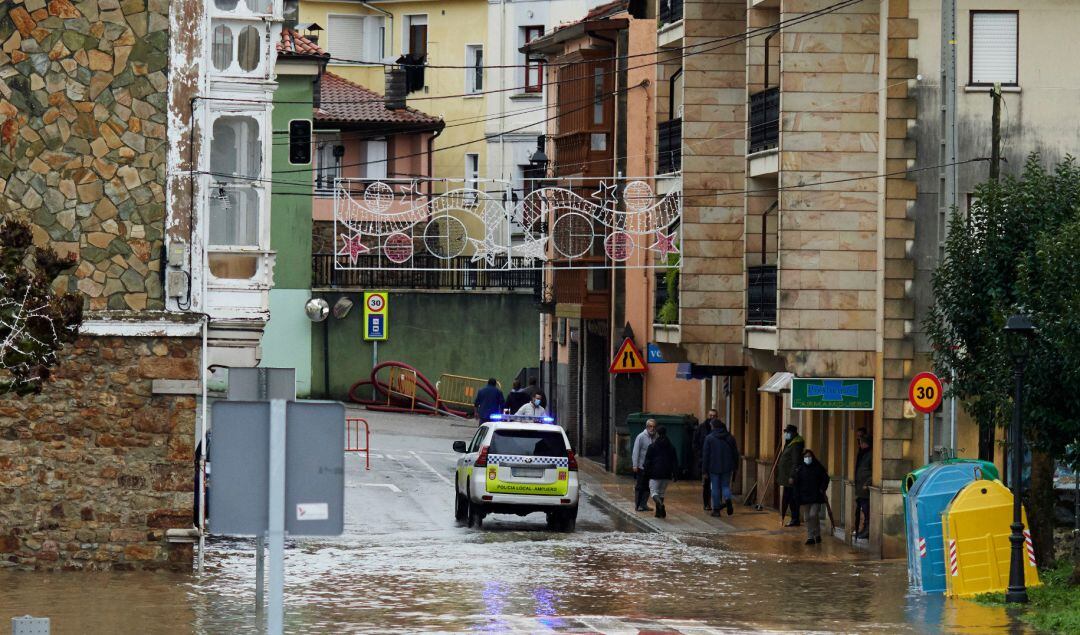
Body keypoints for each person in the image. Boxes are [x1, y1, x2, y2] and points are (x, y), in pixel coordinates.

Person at [701, 420, 739, 517]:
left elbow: (706, 455)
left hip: (714, 466)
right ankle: (728, 499)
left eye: (711, 426)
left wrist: (704, 470)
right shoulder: (730, 437)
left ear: (714, 427)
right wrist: (735, 466)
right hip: (727, 466)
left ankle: (716, 510)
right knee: (725, 486)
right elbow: (735, 453)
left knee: (715, 488)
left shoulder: (709, 438)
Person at [793, 449, 829, 545]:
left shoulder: (818, 468)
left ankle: (815, 534)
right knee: (807, 517)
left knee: (813, 515)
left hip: (816, 496)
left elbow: (825, 478)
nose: (807, 458)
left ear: (812, 457)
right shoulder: (800, 469)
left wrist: (822, 488)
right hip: (805, 497)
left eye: (809, 456)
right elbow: (797, 483)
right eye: (805, 457)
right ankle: (811, 536)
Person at [643, 425, 678, 518]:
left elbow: (647, 461)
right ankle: (659, 513)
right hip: (667, 473)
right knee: (661, 492)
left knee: (654, 492)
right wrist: (675, 474)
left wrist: (645, 472)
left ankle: (660, 505)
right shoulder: (671, 447)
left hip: (655, 473)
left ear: (657, 434)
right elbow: (674, 461)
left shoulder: (652, 446)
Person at [694, 408, 721, 510]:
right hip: (704, 460)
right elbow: (695, 442)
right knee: (706, 483)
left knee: (716, 483)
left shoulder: (720, 429)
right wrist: (699, 454)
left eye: (714, 416)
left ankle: (716, 504)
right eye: (710, 415)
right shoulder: (701, 428)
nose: (712, 417)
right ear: (707, 415)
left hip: (716, 461)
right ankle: (707, 504)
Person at [777, 424, 804, 527]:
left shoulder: (796, 445)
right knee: (789, 497)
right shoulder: (790, 443)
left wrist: (792, 476)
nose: (786, 434)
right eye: (785, 432)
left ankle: (795, 518)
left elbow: (795, 461)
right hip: (786, 476)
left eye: (787, 432)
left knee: (792, 498)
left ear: (792, 433)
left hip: (790, 477)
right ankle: (793, 518)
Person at [631, 418, 657, 511]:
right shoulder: (641, 437)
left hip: (651, 467)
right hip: (641, 466)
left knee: (648, 486)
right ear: (647, 427)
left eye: (654, 426)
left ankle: (644, 504)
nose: (652, 428)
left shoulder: (656, 437)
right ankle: (638, 505)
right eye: (650, 426)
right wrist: (635, 465)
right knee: (640, 486)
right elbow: (636, 451)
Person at [852, 435, 872, 541]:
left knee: (866, 510)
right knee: (863, 511)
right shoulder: (862, 454)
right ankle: (864, 529)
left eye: (862, 442)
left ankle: (867, 530)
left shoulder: (870, 455)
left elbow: (874, 472)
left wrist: (867, 483)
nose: (860, 445)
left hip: (865, 489)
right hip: (860, 488)